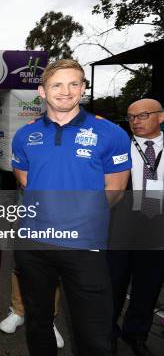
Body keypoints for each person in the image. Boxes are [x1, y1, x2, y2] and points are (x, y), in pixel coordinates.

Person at [11, 59, 131, 356]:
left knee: (93, 332)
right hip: (34, 243)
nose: (66, 91)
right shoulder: (25, 134)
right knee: (38, 323)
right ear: (42, 91)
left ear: (83, 88)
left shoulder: (111, 133)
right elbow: (26, 179)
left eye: (74, 84)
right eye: (57, 85)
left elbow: (115, 189)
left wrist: (79, 215)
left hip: (84, 245)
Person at [0, 108, 65, 347]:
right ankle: (19, 311)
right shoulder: (26, 136)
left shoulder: (73, 139)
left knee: (53, 267)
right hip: (27, 213)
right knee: (21, 265)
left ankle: (47, 319)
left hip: (62, 216)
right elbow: (15, 179)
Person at [107, 98, 163, 356]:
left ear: (160, 117)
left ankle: (136, 334)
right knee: (113, 283)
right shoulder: (120, 147)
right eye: (131, 117)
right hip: (122, 224)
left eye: (143, 115)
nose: (136, 122)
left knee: (148, 286)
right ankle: (107, 333)